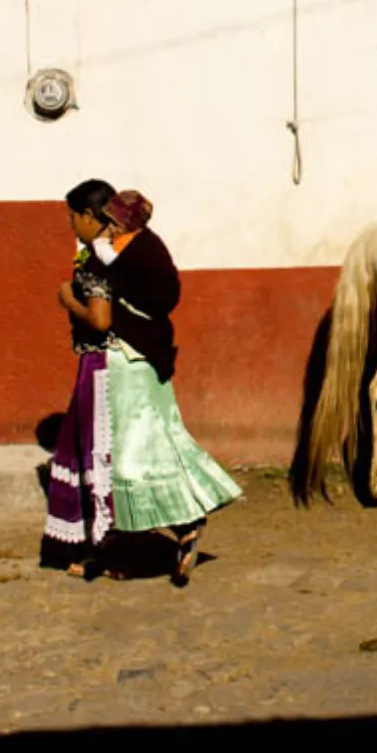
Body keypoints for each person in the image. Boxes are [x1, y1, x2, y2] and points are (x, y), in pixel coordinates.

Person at [41, 178, 242, 586]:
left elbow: (100, 319)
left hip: (116, 366)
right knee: (151, 448)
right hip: (148, 361)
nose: (71, 226)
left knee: (114, 457)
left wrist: (68, 299)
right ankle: (182, 525)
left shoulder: (100, 262)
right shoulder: (145, 249)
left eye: (73, 218)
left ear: (90, 216)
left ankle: (116, 551)